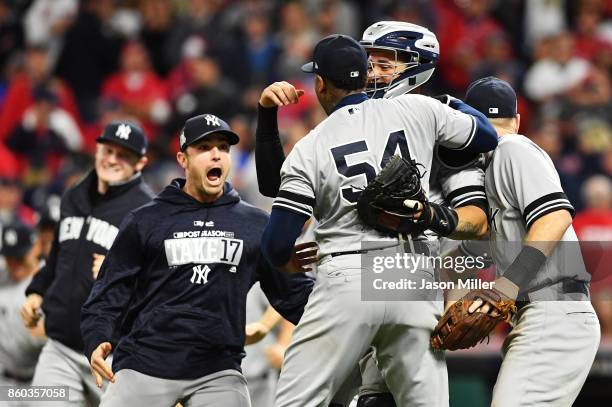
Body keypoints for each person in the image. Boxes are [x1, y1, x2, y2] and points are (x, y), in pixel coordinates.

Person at [255, 22, 490, 407]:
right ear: (365, 75)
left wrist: (285, 261)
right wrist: (450, 104)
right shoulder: (420, 109)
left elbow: (276, 241)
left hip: (348, 276)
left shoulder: (311, 145)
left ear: (319, 85)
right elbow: (486, 135)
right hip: (414, 275)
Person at [80, 114, 314, 407]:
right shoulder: (146, 220)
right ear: (183, 159)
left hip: (217, 371)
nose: (216, 154)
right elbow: (109, 292)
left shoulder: (254, 224)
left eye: (223, 148)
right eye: (203, 148)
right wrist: (96, 338)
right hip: (145, 364)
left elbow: (293, 296)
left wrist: (345, 317)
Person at [459, 76, 600, 406]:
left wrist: (505, 287)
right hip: (542, 314)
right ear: (518, 119)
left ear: (467, 122)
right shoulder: (493, 162)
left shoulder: (511, 148)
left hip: (553, 312)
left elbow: (555, 217)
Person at [20, 120, 154, 407]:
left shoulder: (148, 212)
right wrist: (36, 292)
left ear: (140, 162)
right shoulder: (74, 195)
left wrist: (119, 273)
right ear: (97, 149)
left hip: (117, 358)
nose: (112, 160)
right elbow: (57, 258)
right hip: (62, 349)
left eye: (124, 155)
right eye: (108, 150)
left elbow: (159, 288)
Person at [0, 221, 45, 394]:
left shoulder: (47, 279)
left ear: (34, 248)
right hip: (4, 383)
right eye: (9, 257)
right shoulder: (3, 275)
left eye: (20, 257)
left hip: (39, 383)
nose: (14, 263)